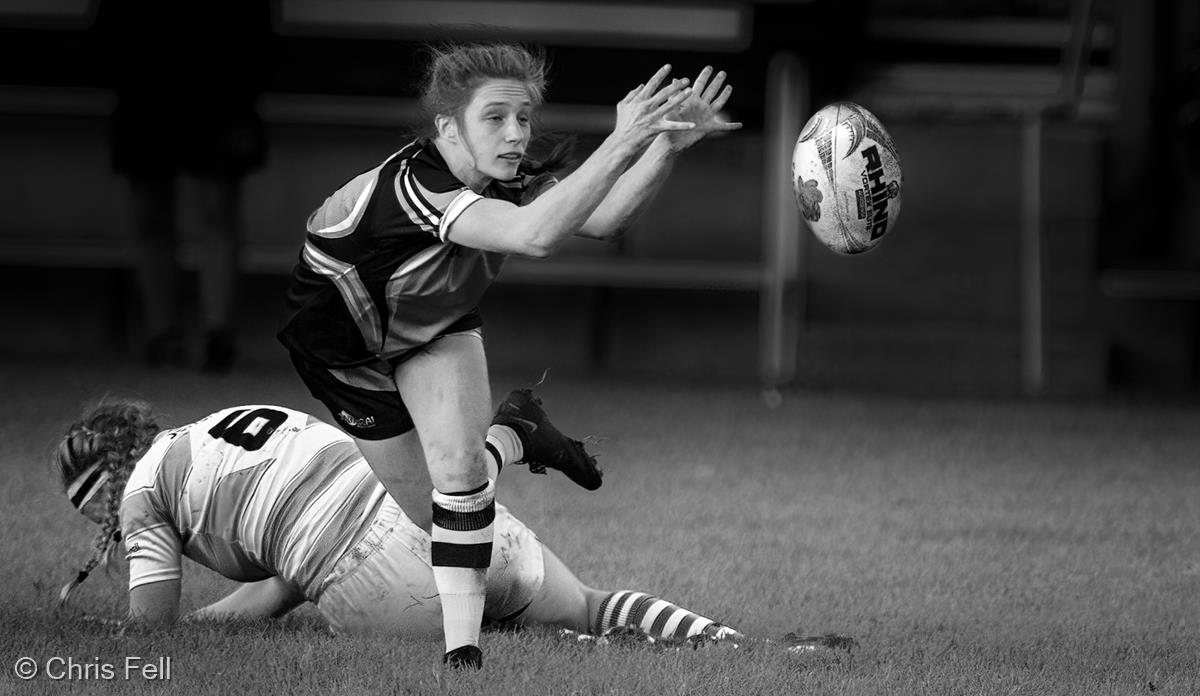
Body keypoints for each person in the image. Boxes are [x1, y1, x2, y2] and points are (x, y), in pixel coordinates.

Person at [276, 42, 741, 667]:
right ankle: (515, 434)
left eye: (523, 117)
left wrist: (662, 147)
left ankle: (461, 655)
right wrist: (625, 138)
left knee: (460, 481)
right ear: (449, 128)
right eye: (494, 118)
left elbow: (603, 221)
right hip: (345, 356)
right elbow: (535, 235)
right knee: (428, 513)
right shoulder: (418, 186)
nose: (516, 133)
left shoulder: (508, 173)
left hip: (434, 323)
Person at [52, 397, 742, 656]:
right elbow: (280, 584)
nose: (104, 528)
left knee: (521, 642)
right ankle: (746, 647)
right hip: (439, 514)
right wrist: (212, 622)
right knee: (590, 606)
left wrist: (106, 637)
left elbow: (151, 634)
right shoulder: (219, 429)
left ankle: (506, 438)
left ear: (99, 489)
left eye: (92, 514)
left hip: (371, 574)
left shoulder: (141, 495)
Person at [102, 0, 272, 372]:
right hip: (142, 77)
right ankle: (162, 336)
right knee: (149, 209)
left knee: (217, 206)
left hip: (220, 78)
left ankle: (218, 338)